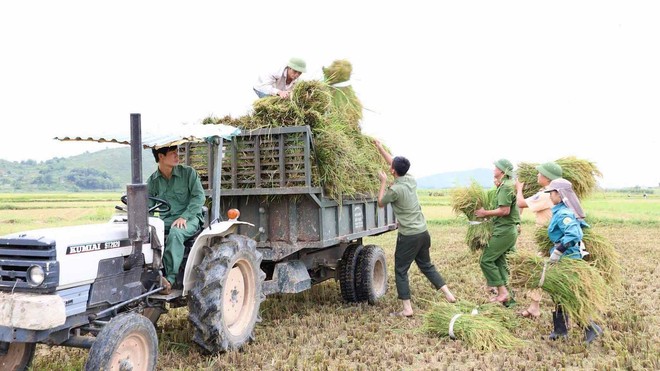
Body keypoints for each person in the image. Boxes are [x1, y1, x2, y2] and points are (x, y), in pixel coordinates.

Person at [374, 140, 455, 317]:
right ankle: (449, 294)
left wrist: (383, 181)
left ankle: (407, 309)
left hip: (409, 236)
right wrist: (380, 148)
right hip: (423, 232)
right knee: (426, 265)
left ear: (393, 171)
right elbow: (393, 163)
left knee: (400, 270)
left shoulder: (395, 190)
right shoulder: (410, 180)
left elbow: (380, 202)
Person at [544, 178, 603, 343]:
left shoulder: (564, 213)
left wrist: (558, 251)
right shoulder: (561, 210)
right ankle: (560, 330)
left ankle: (591, 328)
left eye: (552, 193)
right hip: (565, 258)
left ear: (559, 194)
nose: (550, 196)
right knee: (559, 293)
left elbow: (575, 234)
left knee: (567, 295)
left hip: (568, 259)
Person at [147, 145, 206, 294]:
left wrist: (184, 216)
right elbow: (148, 206)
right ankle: (151, 273)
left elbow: (199, 197)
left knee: (176, 233)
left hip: (190, 218)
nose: (177, 156)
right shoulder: (153, 180)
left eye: (176, 152)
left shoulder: (188, 173)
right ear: (161, 157)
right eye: (172, 153)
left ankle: (169, 280)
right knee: (147, 233)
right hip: (166, 219)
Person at [514, 162, 563, 318]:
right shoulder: (554, 193)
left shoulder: (545, 195)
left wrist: (519, 189)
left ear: (547, 178)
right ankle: (534, 307)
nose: (537, 175)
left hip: (549, 241)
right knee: (541, 273)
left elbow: (520, 203)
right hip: (553, 239)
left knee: (541, 273)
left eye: (539, 173)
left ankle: (553, 311)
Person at [475, 159, 520, 304]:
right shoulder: (504, 186)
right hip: (506, 230)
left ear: (502, 171)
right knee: (500, 263)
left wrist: (484, 213)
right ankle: (509, 300)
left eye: (495, 167)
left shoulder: (506, 187)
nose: (493, 169)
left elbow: (504, 210)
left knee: (486, 260)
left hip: (504, 231)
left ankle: (502, 291)